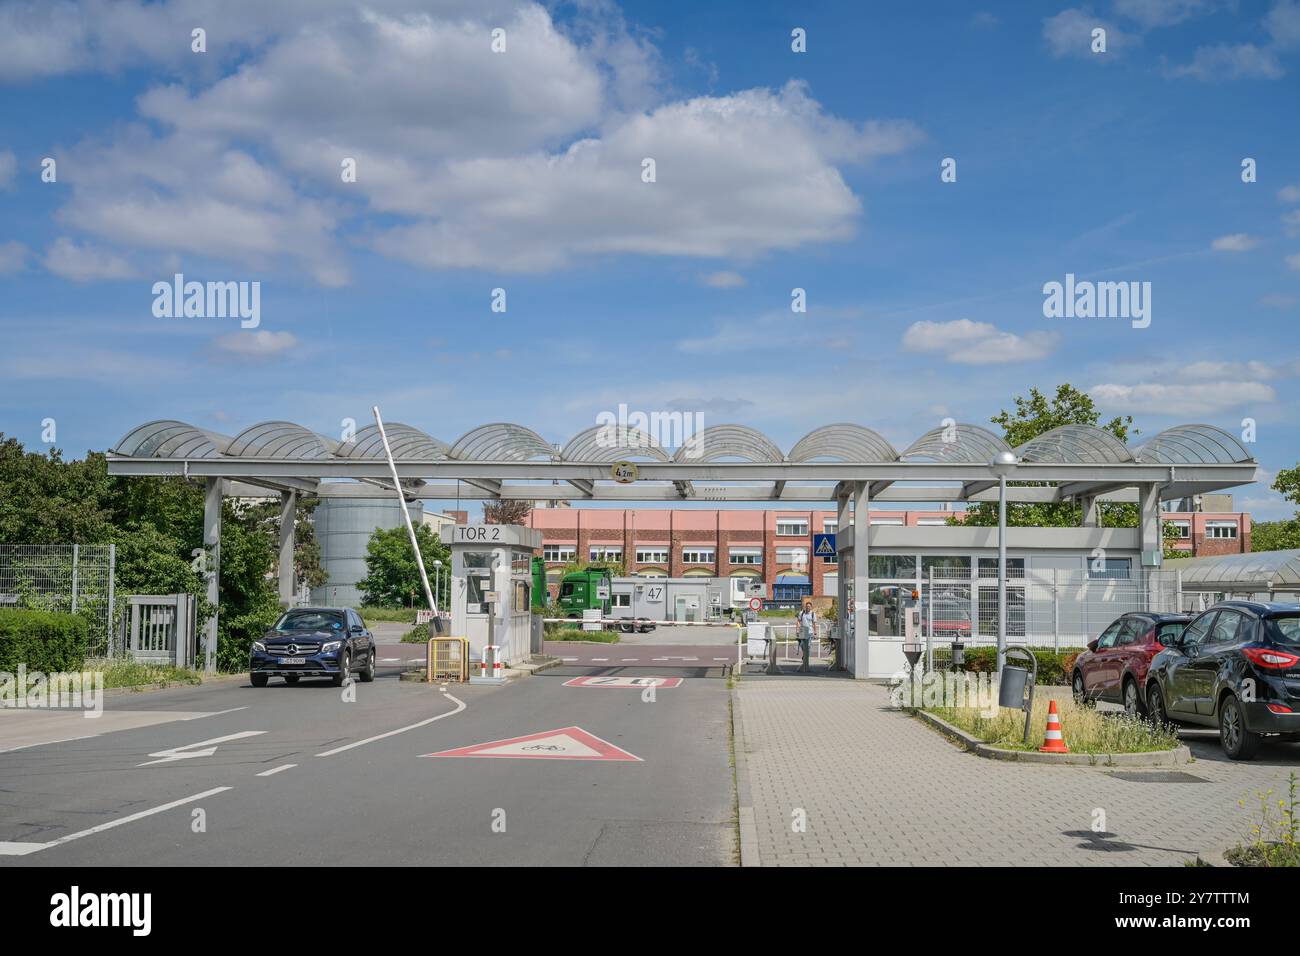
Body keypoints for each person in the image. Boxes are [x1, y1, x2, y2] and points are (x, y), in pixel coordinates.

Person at [796, 601, 816, 673]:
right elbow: (798, 621)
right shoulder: (801, 613)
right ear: (805, 607)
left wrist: (815, 632)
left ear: (811, 607)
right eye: (807, 606)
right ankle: (805, 655)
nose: (808, 607)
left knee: (808, 646)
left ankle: (806, 660)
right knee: (802, 645)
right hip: (802, 632)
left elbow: (814, 623)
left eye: (809, 606)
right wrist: (797, 630)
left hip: (810, 632)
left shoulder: (813, 614)